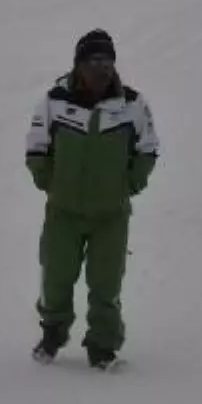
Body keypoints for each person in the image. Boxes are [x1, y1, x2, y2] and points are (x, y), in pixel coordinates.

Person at [24, 29, 159, 370]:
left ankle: (102, 345)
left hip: (110, 215)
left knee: (106, 283)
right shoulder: (54, 101)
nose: (102, 67)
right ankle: (53, 331)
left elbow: (148, 148)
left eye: (107, 60)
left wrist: (131, 182)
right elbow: (37, 145)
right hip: (63, 211)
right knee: (56, 275)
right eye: (94, 60)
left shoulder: (132, 104)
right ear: (79, 64)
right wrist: (47, 180)